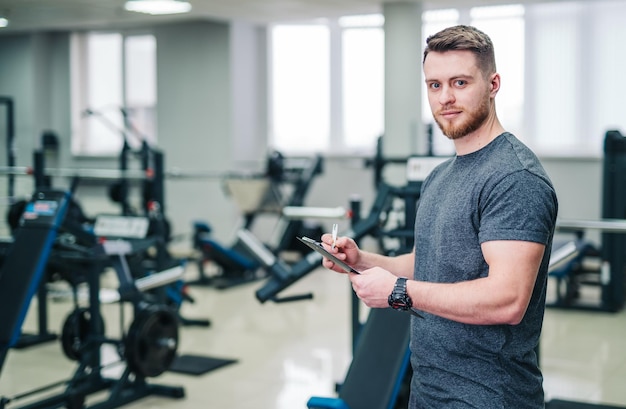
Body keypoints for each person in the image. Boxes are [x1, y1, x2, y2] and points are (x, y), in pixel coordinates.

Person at [320, 25, 558, 409]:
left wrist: (397, 291)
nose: (445, 97)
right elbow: (427, 264)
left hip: (489, 398)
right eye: (434, 85)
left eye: (460, 82)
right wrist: (362, 261)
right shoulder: (440, 177)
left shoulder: (515, 178)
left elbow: (507, 300)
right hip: (430, 391)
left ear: (493, 83)